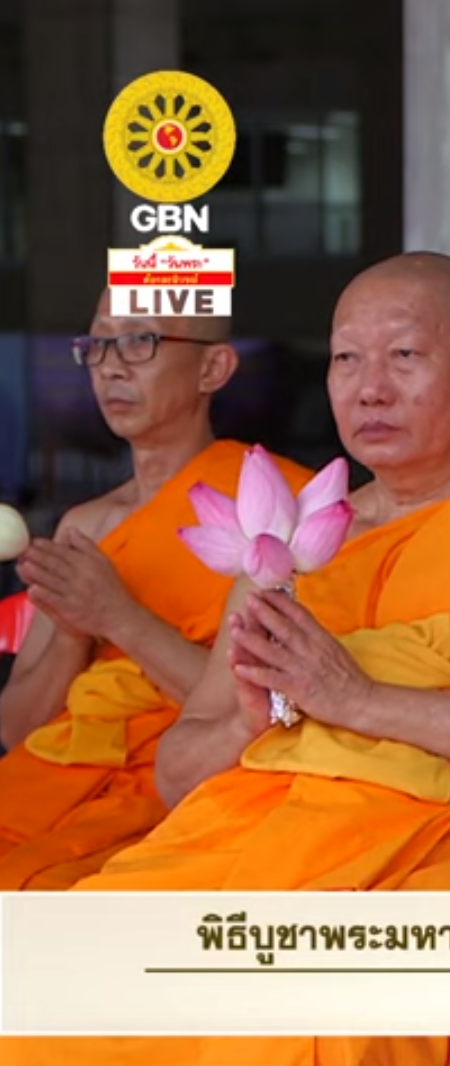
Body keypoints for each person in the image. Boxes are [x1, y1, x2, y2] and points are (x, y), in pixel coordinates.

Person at [0, 252, 450, 1066]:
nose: (368, 387)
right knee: (45, 989)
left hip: (443, 861)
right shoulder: (288, 541)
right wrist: (248, 717)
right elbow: (179, 772)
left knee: (306, 1022)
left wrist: (352, 698)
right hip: (243, 844)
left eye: (404, 357)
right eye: (347, 359)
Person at [0, 291, 309, 889]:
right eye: (97, 344)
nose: (111, 365)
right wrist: (72, 629)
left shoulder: (274, 514)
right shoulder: (84, 528)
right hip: (51, 792)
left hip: (186, 801)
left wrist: (118, 618)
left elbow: (275, 710)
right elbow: (16, 727)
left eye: (140, 341)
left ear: (213, 368)